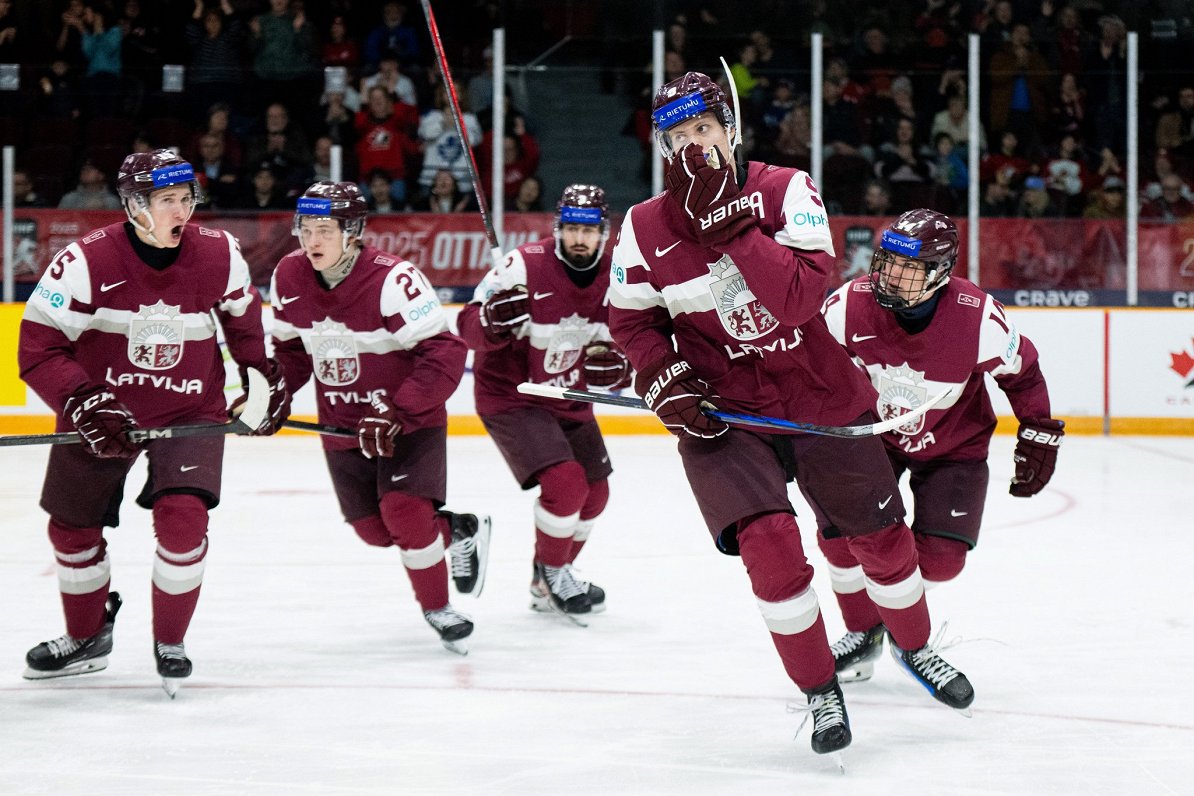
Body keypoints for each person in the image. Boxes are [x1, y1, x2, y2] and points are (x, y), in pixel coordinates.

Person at [607, 72, 974, 759]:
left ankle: (916, 647)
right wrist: (663, 374)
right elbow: (631, 322)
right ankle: (818, 688)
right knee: (770, 553)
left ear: (731, 128)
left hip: (821, 397)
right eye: (678, 137)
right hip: (724, 414)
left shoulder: (785, 189)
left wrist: (735, 224)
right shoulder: (643, 227)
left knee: (884, 544)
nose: (694, 148)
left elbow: (803, 299)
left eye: (704, 130)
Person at [17, 148, 291, 695]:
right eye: (168, 200)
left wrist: (261, 376)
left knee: (183, 518)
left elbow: (243, 323)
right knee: (71, 528)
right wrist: (83, 401)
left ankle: (170, 640)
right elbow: (38, 348)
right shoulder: (84, 261)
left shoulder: (220, 253)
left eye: (187, 198)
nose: (182, 211)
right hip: (102, 413)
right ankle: (87, 636)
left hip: (191, 409)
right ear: (134, 205)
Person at [818, 208, 1063, 684]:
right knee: (839, 539)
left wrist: (1039, 433)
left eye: (909, 269)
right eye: (888, 262)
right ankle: (864, 632)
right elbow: (813, 369)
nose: (891, 277)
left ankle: (892, 610)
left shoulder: (978, 320)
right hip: (875, 441)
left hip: (955, 446)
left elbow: (1023, 371)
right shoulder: (847, 305)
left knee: (942, 562)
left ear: (940, 273)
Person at [269, 181, 488, 654]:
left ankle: (438, 608)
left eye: (324, 230)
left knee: (404, 514)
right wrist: (274, 394)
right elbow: (290, 351)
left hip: (408, 423)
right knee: (375, 532)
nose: (312, 241)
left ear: (353, 231)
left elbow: (444, 353)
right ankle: (460, 530)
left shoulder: (393, 280)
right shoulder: (288, 276)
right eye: (305, 229)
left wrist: (398, 409)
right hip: (342, 426)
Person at [458, 184, 630, 620]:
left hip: (567, 397)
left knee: (596, 493)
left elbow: (629, 344)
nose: (578, 238)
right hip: (512, 395)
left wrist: (621, 369)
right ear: (557, 229)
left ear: (603, 233)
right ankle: (555, 573)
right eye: (570, 228)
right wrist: (490, 321)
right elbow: (466, 327)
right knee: (566, 484)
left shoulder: (620, 277)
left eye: (587, 230)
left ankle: (548, 576)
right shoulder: (521, 266)